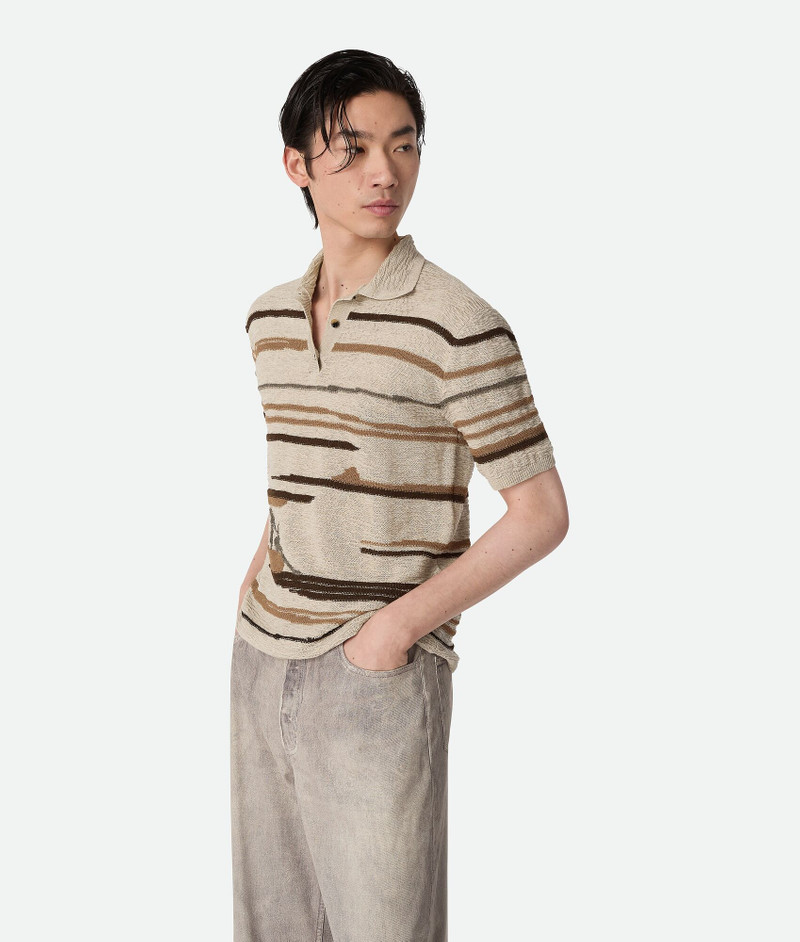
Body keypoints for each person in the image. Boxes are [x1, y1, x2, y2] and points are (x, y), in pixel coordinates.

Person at [230, 49, 569, 942]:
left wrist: (394, 633)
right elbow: (299, 471)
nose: (385, 171)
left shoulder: (457, 323)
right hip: (262, 653)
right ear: (298, 165)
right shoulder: (268, 318)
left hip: (378, 673)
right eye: (353, 149)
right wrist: (252, 584)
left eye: (404, 144)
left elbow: (541, 514)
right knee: (272, 926)